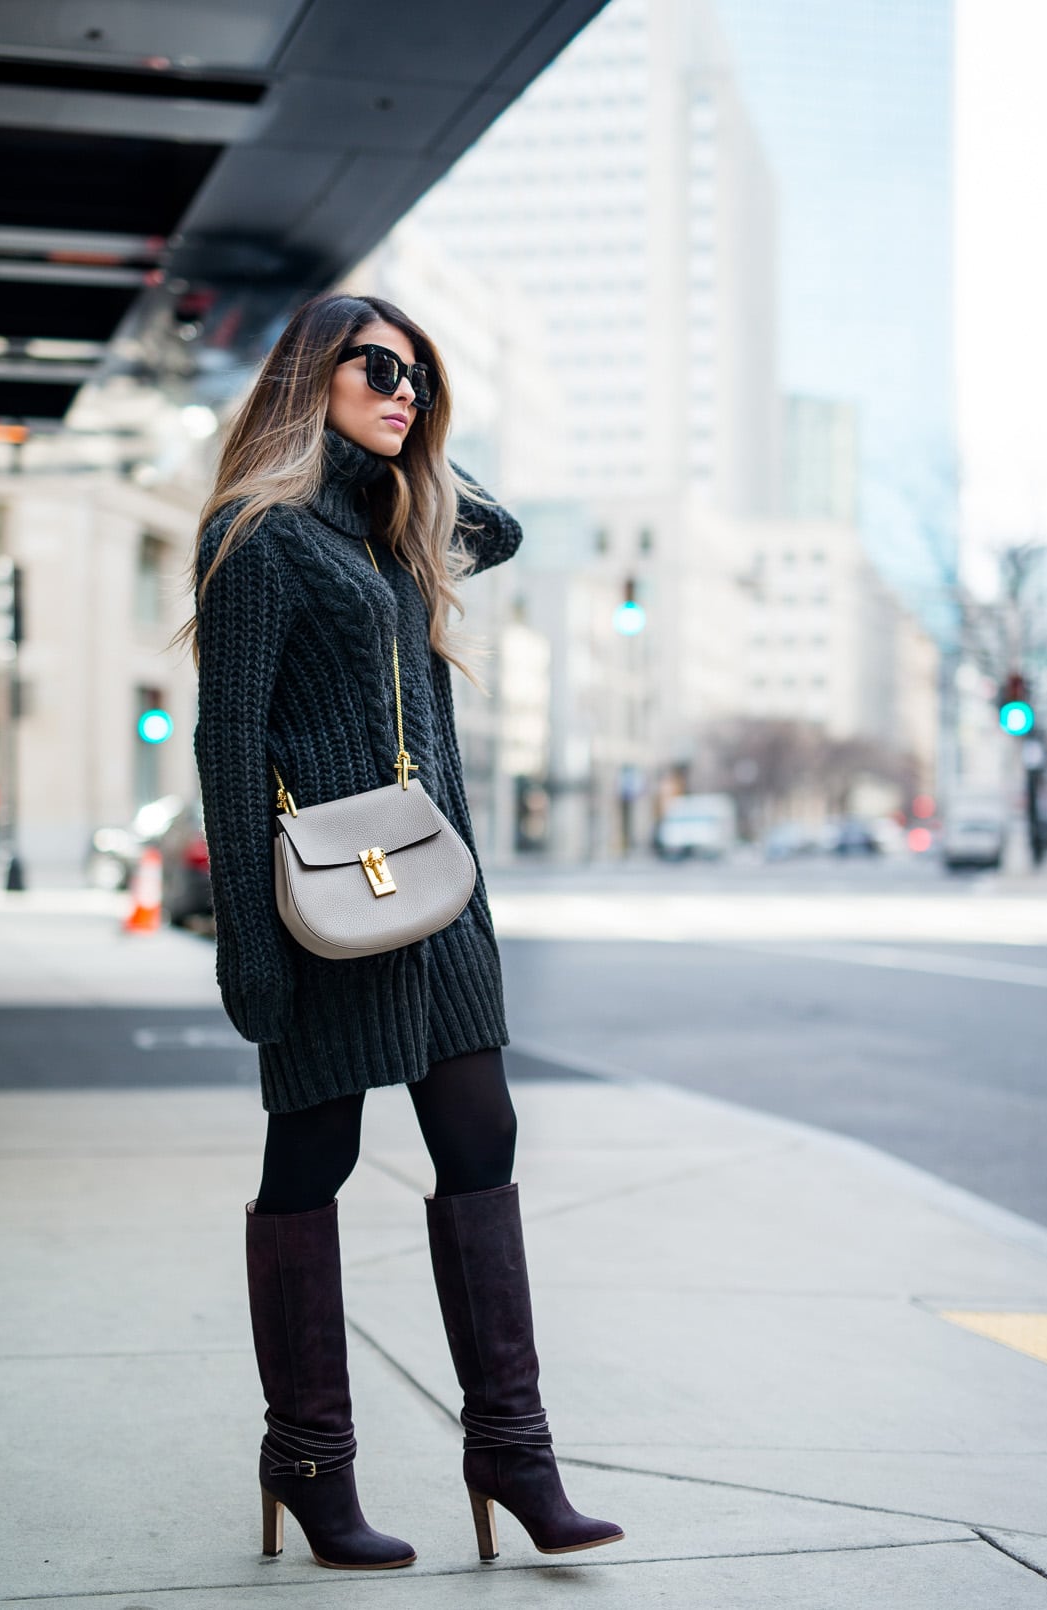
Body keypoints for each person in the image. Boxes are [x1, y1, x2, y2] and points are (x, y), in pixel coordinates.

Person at [182, 292, 623, 1571]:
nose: (402, 391)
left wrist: (411, 443)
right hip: (329, 901)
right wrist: (246, 946)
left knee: (483, 1134)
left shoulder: (396, 525)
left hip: (443, 896)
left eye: (418, 376)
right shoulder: (257, 535)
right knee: (311, 1158)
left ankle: (514, 1451)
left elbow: (502, 524)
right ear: (306, 377)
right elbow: (227, 737)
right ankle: (311, 1463)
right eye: (374, 367)